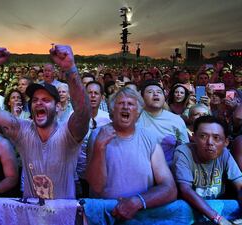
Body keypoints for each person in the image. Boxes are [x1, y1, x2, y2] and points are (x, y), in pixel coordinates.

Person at [0, 45, 90, 199]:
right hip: (31, 216)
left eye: (46, 100)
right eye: (35, 100)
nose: (39, 103)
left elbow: (83, 113)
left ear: (58, 106)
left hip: (62, 218)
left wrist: (71, 69)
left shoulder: (68, 133)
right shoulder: (23, 130)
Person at [85, 87, 177, 220]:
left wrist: (137, 202)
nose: (125, 107)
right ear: (112, 110)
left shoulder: (149, 138)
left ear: (138, 112)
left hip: (141, 216)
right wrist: (99, 147)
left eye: (130, 104)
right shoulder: (97, 135)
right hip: (106, 217)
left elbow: (170, 188)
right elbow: (96, 186)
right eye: (121, 103)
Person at [172, 116, 242, 225]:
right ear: (194, 137)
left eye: (216, 137)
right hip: (190, 209)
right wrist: (218, 219)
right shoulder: (183, 152)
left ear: (226, 142)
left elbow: (240, 186)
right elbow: (185, 190)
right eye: (203, 136)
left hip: (215, 205)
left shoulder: (224, 154)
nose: (210, 142)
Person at [137, 80, 189, 165]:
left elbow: (185, 148)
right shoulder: (134, 118)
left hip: (170, 169)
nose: (155, 94)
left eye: (159, 92)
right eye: (150, 92)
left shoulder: (176, 120)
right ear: (142, 98)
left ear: (164, 97)